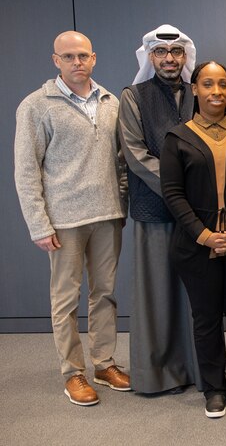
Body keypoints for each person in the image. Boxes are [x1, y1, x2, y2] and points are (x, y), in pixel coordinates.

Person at [14, 31, 130, 406]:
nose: (77, 62)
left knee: (106, 295)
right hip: (64, 221)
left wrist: (123, 203)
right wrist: (38, 223)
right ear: (55, 60)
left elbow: (121, 161)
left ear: (94, 58)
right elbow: (26, 170)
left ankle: (104, 364)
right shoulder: (36, 105)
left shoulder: (111, 102)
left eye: (83, 55)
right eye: (68, 56)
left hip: (108, 214)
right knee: (65, 300)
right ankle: (73, 373)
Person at [160, 61, 226, 417]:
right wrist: (206, 236)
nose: (216, 92)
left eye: (223, 84)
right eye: (208, 84)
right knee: (205, 319)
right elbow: (173, 194)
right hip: (195, 247)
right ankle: (213, 388)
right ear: (194, 89)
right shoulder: (177, 138)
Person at [118, 24, 200, 394]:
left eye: (177, 52)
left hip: (200, 212)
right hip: (156, 208)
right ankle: (156, 375)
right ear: (150, 57)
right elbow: (135, 156)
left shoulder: (199, 93)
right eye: (161, 52)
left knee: (195, 292)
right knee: (157, 293)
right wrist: (177, 189)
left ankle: (198, 369)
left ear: (185, 56)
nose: (170, 59)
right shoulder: (133, 97)